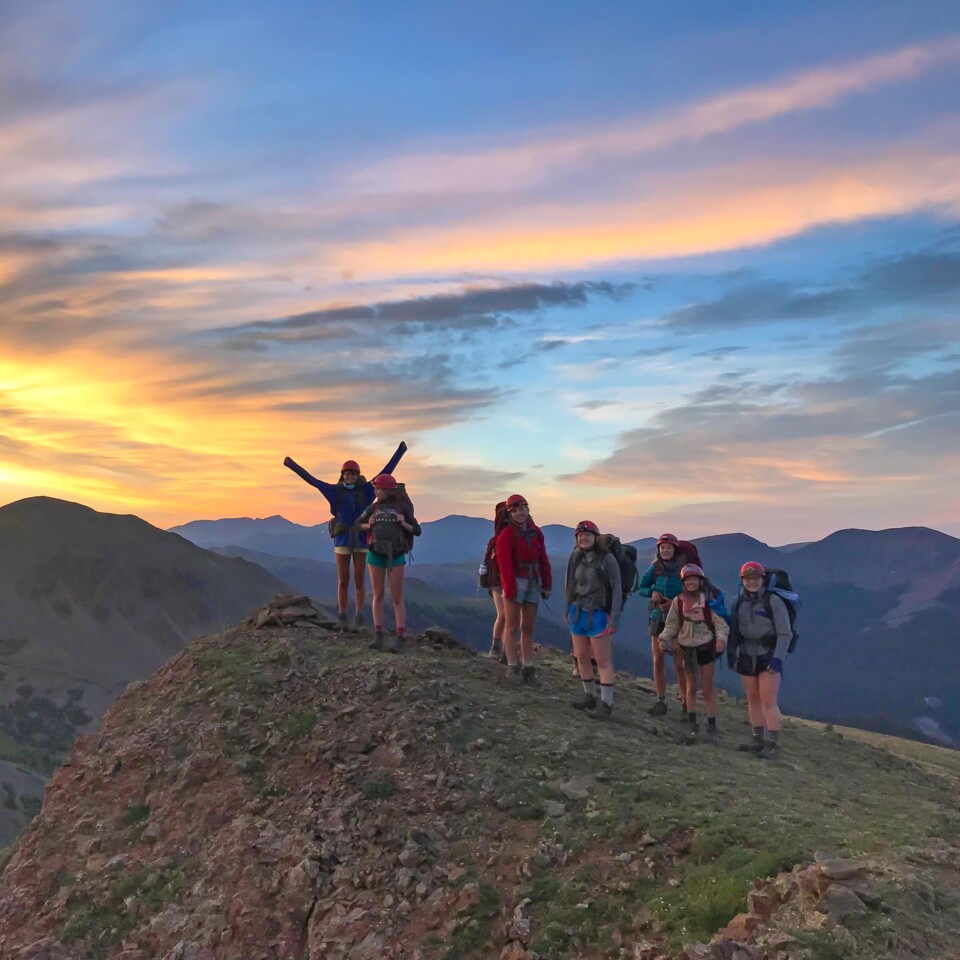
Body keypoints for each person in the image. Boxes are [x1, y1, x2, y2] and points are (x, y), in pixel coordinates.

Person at [283, 443, 407, 628]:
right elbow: (312, 480)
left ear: (357, 476)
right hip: (342, 539)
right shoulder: (334, 491)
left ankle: (358, 616)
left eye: (352, 474)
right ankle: (342, 616)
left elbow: (386, 470)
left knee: (358, 579)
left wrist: (400, 452)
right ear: (343, 475)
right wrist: (291, 464)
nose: (349, 477)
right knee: (343, 579)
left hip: (362, 540)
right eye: (347, 474)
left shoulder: (366, 489)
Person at [727, 561, 792, 760]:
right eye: (748, 579)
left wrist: (777, 659)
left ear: (762, 579)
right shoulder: (738, 602)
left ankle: (772, 744)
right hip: (746, 655)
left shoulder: (773, 601)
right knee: (753, 700)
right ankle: (758, 740)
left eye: (756, 578)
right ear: (742, 580)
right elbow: (735, 632)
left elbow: (785, 633)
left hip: (768, 655)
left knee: (768, 701)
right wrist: (732, 655)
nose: (752, 582)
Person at [658, 564, 728, 743]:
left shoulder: (709, 602)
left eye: (693, 579)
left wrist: (721, 640)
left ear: (700, 581)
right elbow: (672, 624)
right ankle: (693, 721)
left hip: (705, 647)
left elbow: (720, 623)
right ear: (683, 582)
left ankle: (711, 724)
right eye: (687, 579)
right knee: (690, 687)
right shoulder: (678, 602)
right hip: (686, 648)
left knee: (706, 688)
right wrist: (664, 637)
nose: (690, 582)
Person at [564, 521, 622, 720]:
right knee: (581, 657)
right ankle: (589, 696)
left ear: (596, 537)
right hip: (578, 611)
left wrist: (614, 619)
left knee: (602, 661)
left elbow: (617, 590)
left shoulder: (608, 559)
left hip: (598, 613)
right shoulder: (575, 556)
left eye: (587, 535)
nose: (583, 538)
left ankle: (606, 704)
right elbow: (569, 584)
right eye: (580, 536)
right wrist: (567, 609)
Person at [356, 474, 421, 653]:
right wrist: (367, 526)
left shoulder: (402, 508)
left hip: (395, 555)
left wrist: (404, 523)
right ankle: (379, 634)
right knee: (378, 595)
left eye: (378, 488)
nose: (375, 491)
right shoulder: (374, 507)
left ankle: (400, 637)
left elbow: (417, 530)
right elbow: (356, 525)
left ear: (386, 490)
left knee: (395, 597)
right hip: (377, 554)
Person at [495, 494, 552, 683]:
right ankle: (512, 665)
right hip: (516, 582)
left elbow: (543, 558)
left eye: (523, 509)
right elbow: (505, 565)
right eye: (516, 511)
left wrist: (546, 583)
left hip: (533, 582)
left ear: (528, 510)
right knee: (511, 627)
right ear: (510, 514)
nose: (520, 513)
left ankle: (528, 667)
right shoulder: (507, 535)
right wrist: (510, 590)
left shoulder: (536, 532)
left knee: (527, 627)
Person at [637, 533, 691, 717]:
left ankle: (686, 703)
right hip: (657, 617)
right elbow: (640, 588)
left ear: (675, 550)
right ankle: (661, 701)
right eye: (662, 548)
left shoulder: (685, 570)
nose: (665, 550)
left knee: (679, 665)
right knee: (658, 660)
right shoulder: (655, 568)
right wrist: (652, 592)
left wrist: (675, 603)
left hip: (679, 621)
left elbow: (693, 594)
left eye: (668, 547)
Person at [479, 501, 509, 660]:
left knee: (505, 616)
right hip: (498, 582)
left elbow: (486, 561)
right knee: (505, 615)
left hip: (497, 581)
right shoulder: (497, 541)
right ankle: (499, 648)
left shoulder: (494, 541)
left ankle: (501, 649)